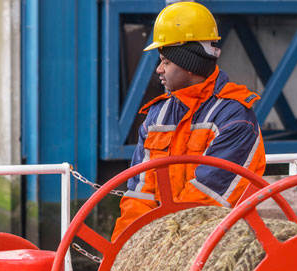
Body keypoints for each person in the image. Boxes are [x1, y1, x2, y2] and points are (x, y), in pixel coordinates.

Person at [111, 2, 266, 241]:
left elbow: (207, 198)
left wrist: (159, 244)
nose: (158, 70)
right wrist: (124, 249)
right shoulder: (156, 117)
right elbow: (139, 194)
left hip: (221, 245)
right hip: (166, 242)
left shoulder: (234, 118)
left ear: (190, 64)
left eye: (166, 61)